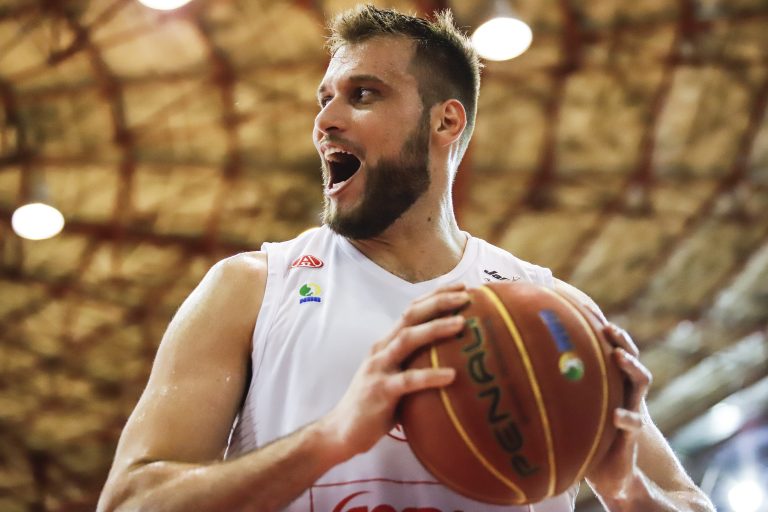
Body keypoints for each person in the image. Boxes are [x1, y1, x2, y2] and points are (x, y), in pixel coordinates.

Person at [98, 5, 715, 511]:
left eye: (363, 94)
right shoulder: (252, 288)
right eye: (324, 98)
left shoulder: (556, 311)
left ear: (445, 121)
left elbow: (689, 502)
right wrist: (330, 438)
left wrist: (625, 488)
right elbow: (130, 502)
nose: (325, 120)